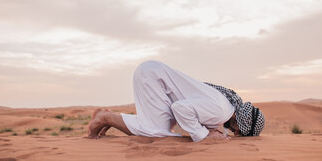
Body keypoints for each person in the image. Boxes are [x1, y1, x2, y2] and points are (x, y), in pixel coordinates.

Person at [88, 60, 265, 142]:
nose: (234, 134)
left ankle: (109, 117)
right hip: (152, 78)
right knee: (158, 133)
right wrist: (203, 136)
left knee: (162, 129)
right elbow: (180, 108)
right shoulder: (220, 112)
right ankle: (105, 118)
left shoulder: (225, 107)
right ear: (240, 125)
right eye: (239, 133)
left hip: (154, 76)